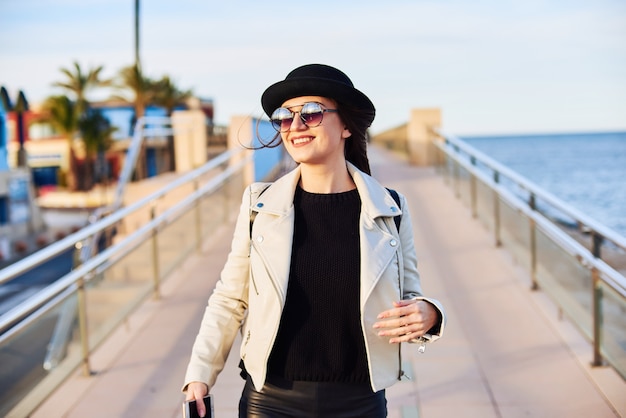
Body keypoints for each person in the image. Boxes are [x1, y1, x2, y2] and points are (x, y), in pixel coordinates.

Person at [182, 64, 446, 418]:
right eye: (284, 117)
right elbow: (230, 299)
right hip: (272, 401)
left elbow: (408, 297)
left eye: (311, 113)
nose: (295, 127)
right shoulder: (259, 205)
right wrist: (199, 376)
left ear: (347, 126)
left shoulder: (390, 208)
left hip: (360, 403)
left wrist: (429, 315)